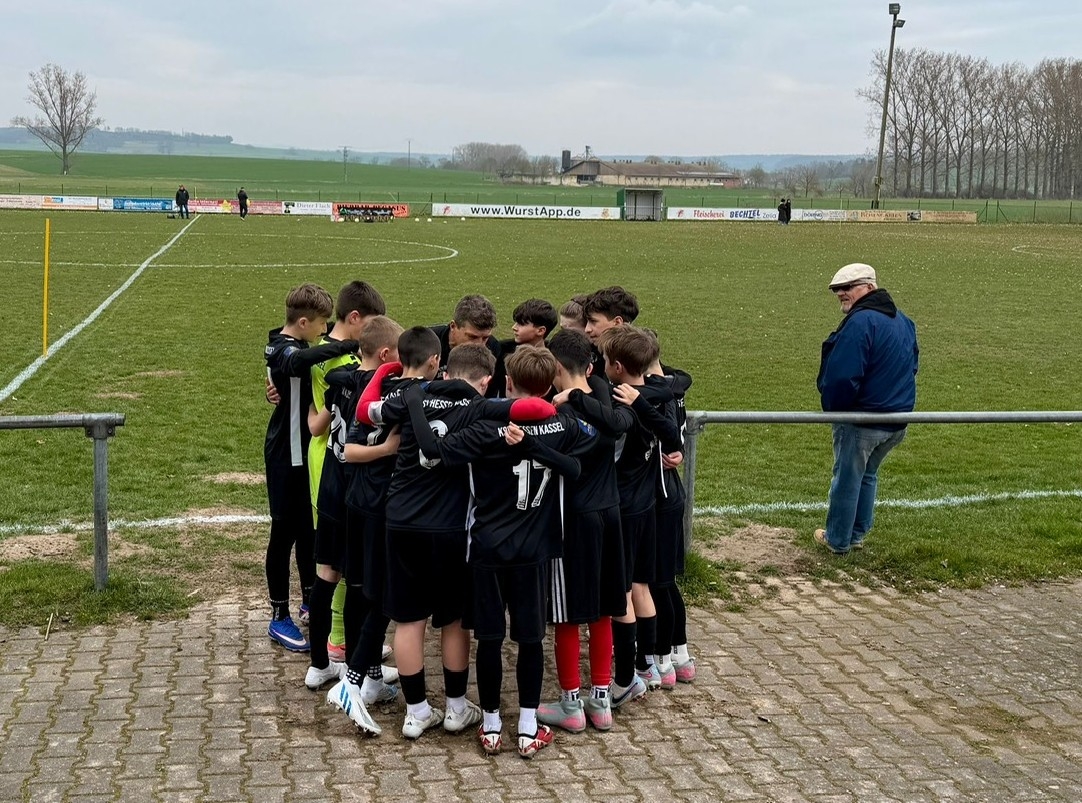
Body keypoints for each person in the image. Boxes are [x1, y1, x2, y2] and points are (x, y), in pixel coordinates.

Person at [408, 346, 595, 759]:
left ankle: (491, 725)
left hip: (486, 548)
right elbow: (590, 443)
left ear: (506, 382)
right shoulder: (561, 424)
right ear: (549, 386)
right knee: (530, 640)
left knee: (489, 639)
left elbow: (433, 449)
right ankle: (527, 727)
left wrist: (416, 402)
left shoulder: (484, 427)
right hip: (535, 550)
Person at [537, 329, 627, 733]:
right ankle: (601, 701)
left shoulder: (558, 415)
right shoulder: (603, 401)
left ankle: (571, 705)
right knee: (604, 609)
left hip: (573, 520)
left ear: (555, 367)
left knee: (568, 614)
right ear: (589, 368)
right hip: (610, 513)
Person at [263, 284, 360, 652]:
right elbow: (294, 363)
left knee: (309, 530)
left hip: (309, 451)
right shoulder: (281, 348)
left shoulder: (301, 342)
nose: (325, 330)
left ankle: (309, 600)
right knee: (283, 532)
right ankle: (278, 615)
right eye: (321, 324)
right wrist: (350, 345)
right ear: (303, 322)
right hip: (284, 455)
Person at [305, 281, 386, 661]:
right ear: (354, 318)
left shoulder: (317, 351)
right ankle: (340, 641)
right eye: (370, 323)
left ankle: (329, 647)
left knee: (329, 559)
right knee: (341, 563)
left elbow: (314, 420)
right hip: (341, 464)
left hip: (322, 458)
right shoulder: (348, 366)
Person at [815, 263, 918, 555]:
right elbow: (912, 366)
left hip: (863, 421)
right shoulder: (903, 321)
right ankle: (857, 534)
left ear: (869, 287)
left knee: (847, 479)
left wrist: (838, 410)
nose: (841, 293)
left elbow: (842, 376)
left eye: (848, 287)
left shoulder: (860, 323)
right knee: (868, 475)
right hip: (896, 420)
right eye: (837, 289)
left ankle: (838, 540)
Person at [430, 294, 505, 397]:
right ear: (453, 326)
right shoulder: (428, 343)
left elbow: (489, 398)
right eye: (472, 337)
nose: (480, 345)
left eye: (485, 338)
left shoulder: (493, 348)